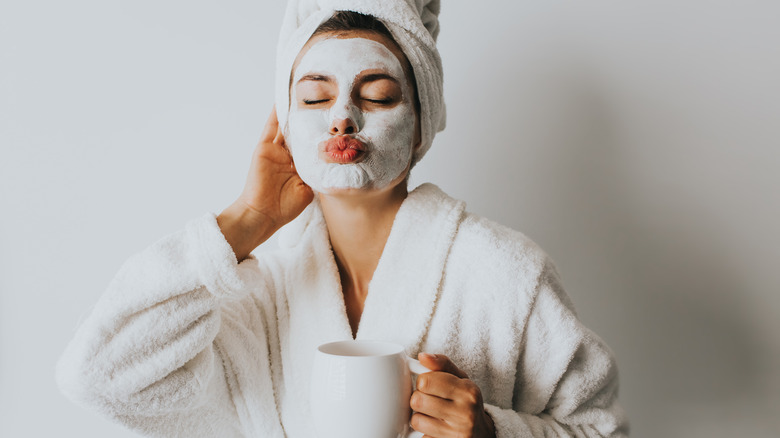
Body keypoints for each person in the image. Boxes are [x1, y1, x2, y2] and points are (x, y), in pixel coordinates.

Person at [57, 1, 628, 437]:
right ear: (284, 123)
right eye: (313, 97)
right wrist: (246, 220)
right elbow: (97, 376)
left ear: (421, 122)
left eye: (377, 95)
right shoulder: (249, 292)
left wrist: (493, 433)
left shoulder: (506, 274)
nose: (343, 118)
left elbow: (603, 430)